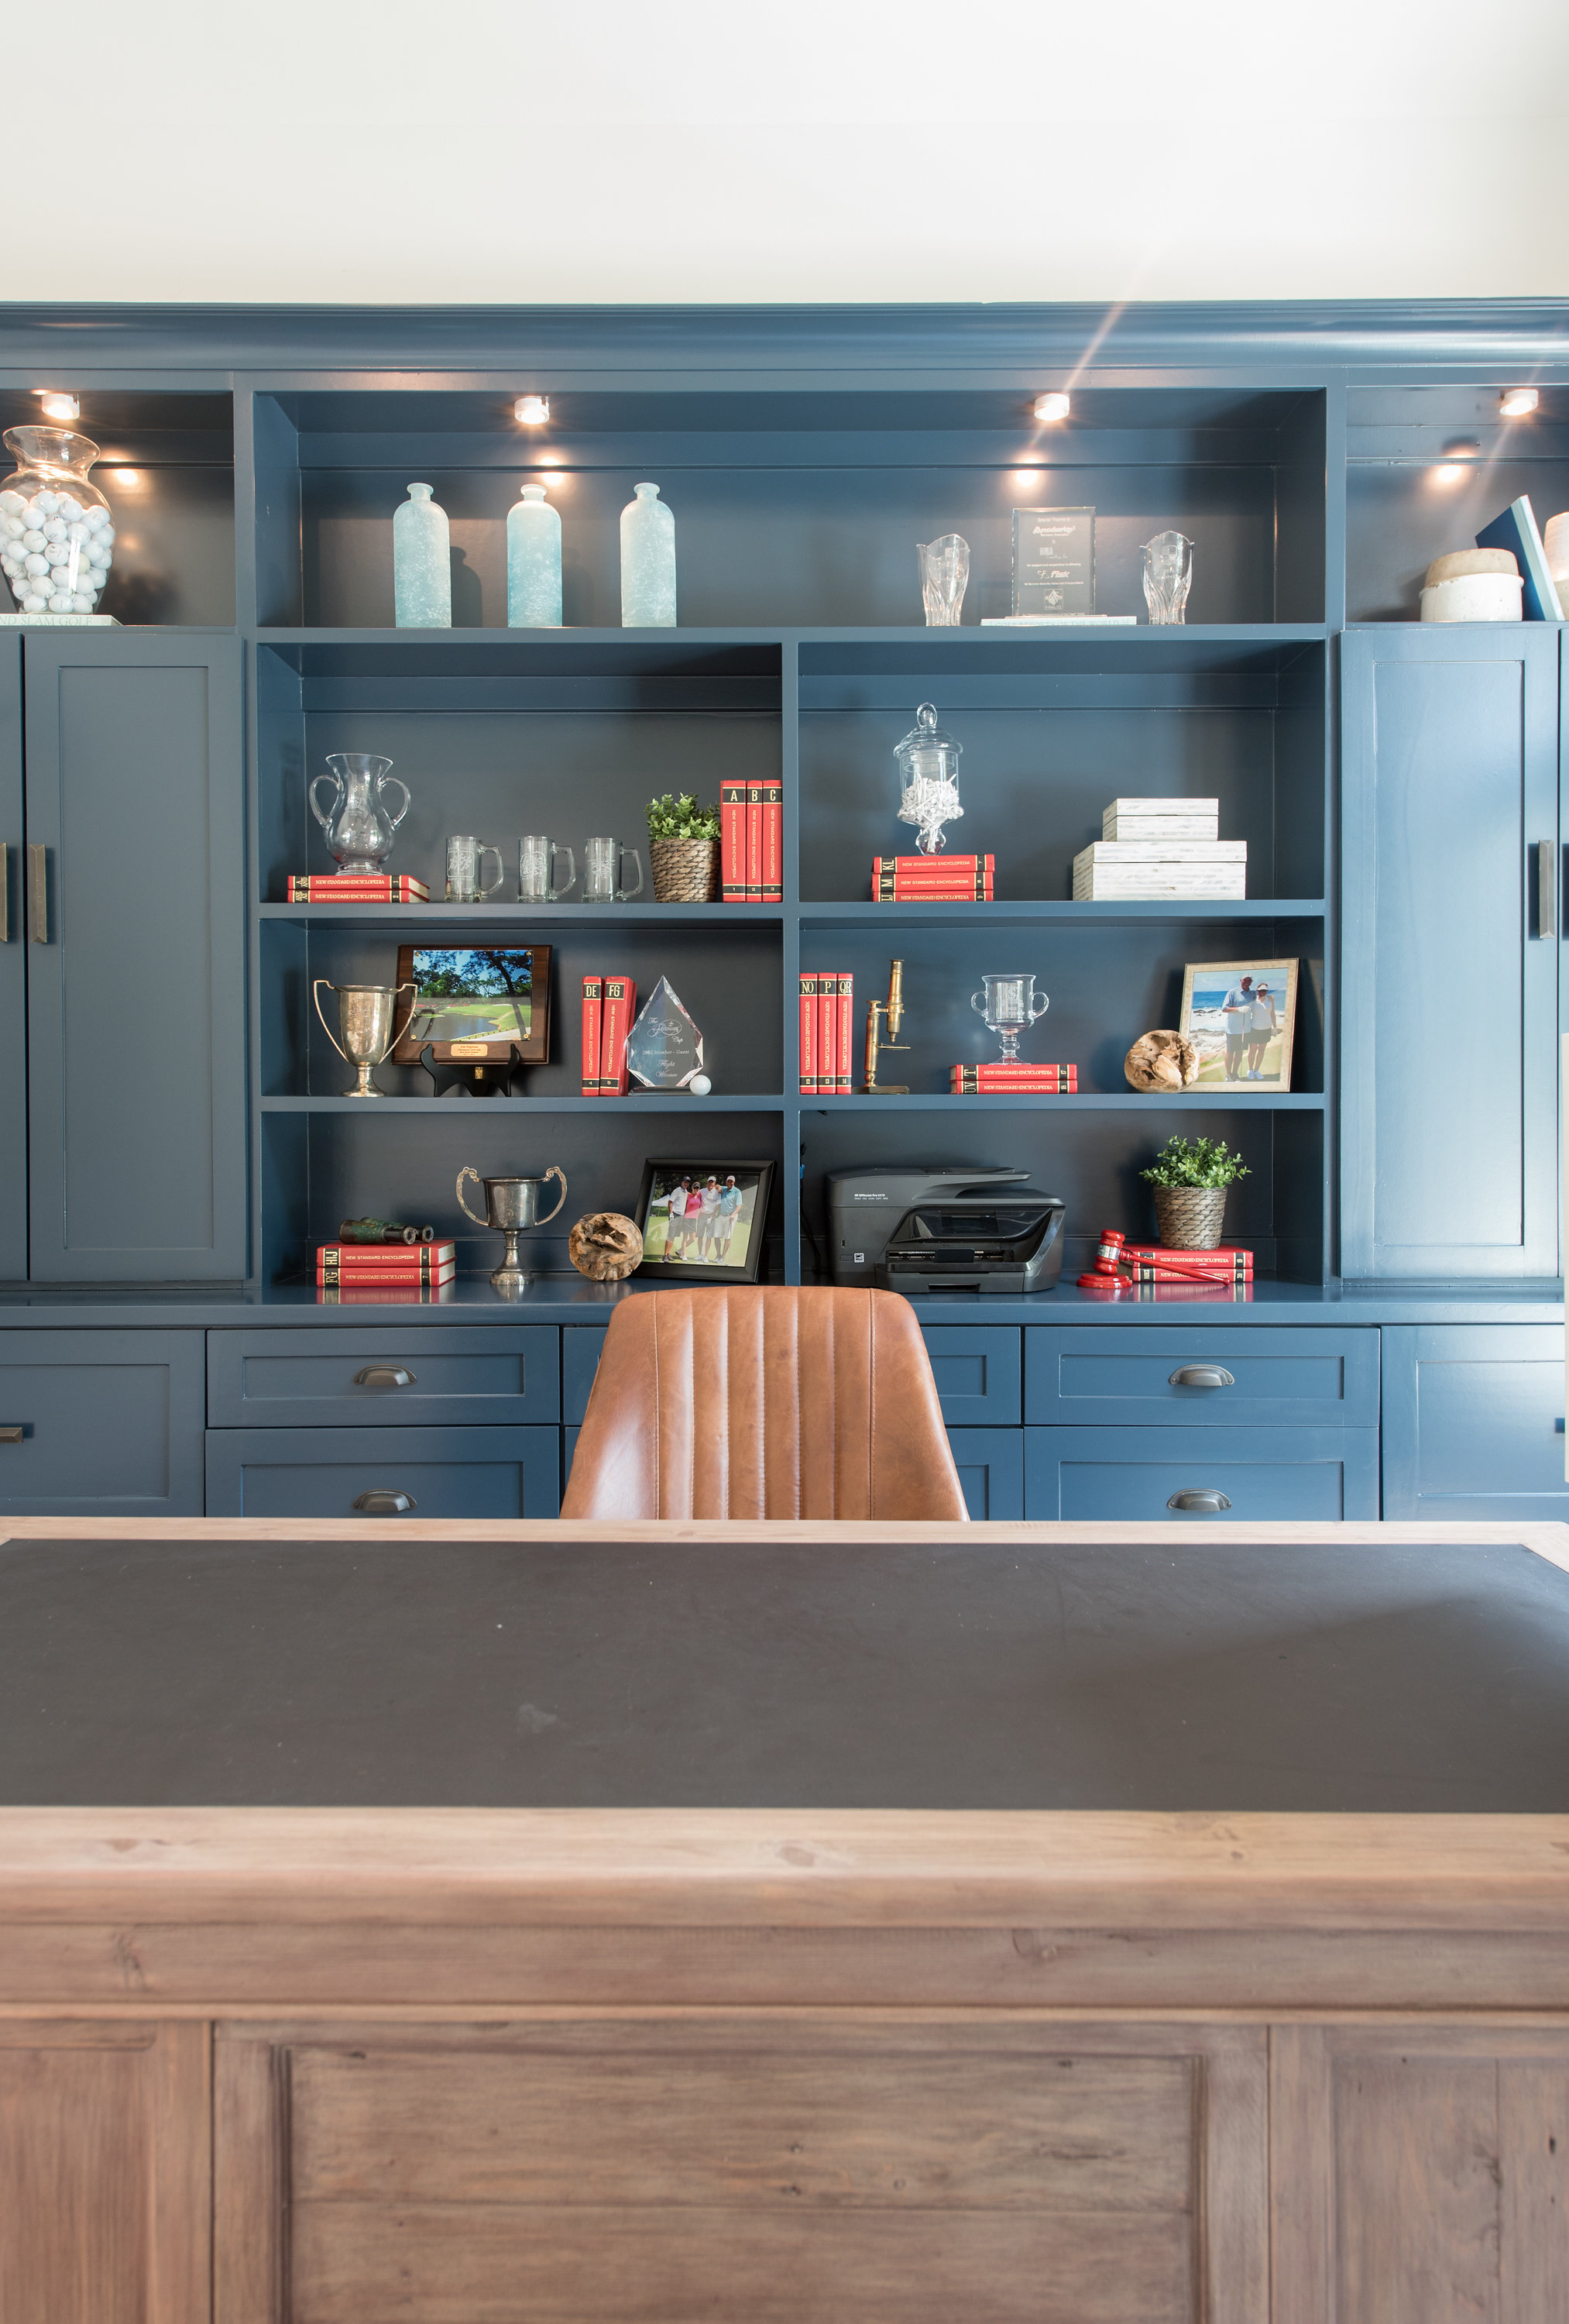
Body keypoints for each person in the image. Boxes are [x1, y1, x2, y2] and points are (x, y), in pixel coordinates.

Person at [1218, 975, 1254, 1081]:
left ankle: (1235, 1074)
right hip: (1233, 1029)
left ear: (1251, 982)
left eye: (1249, 980)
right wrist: (1239, 1009)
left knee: (1240, 1051)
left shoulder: (1252, 994)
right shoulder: (1232, 992)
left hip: (1246, 1028)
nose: (1247, 982)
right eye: (1245, 980)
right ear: (1241, 980)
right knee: (1230, 1051)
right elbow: (1224, 1009)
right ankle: (1228, 1075)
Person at [1246, 982, 1279, 1080]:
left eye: (1264, 991)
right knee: (1253, 1050)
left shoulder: (1271, 999)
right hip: (1255, 1028)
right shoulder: (1253, 1000)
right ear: (1257, 991)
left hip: (1266, 1029)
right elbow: (1247, 1014)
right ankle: (1250, 1070)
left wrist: (1275, 1027)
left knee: (1261, 1050)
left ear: (1267, 991)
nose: (1262, 993)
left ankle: (1256, 1070)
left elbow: (1272, 1014)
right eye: (1260, 991)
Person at [710, 1173, 744, 1262]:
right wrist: (719, 1188)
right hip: (721, 1216)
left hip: (731, 1217)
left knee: (727, 1237)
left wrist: (734, 1214)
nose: (730, 1183)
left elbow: (739, 1205)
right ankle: (718, 1255)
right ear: (726, 1182)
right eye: (728, 1181)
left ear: (734, 1182)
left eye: (731, 1181)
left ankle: (723, 1257)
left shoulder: (737, 1191)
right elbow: (716, 1186)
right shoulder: (724, 1188)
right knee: (716, 1236)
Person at [696, 1174, 723, 1260]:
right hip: (702, 1215)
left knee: (709, 1236)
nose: (710, 1184)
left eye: (712, 1182)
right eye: (709, 1182)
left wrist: (712, 1216)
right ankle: (700, 1254)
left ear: (715, 1183)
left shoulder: (717, 1192)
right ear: (707, 1183)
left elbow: (717, 1205)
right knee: (700, 1235)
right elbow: (695, 1195)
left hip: (712, 1216)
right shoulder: (702, 1191)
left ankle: (705, 1256)